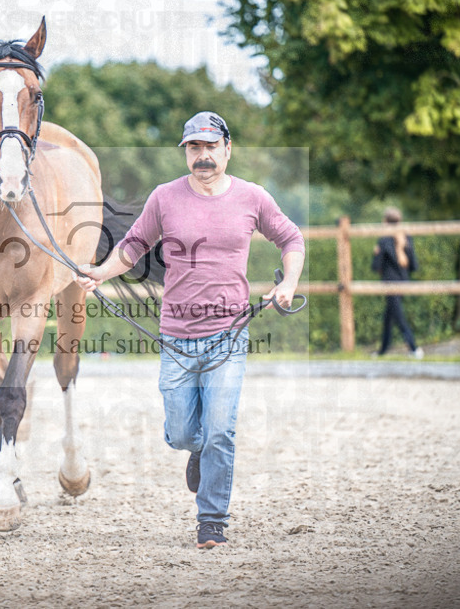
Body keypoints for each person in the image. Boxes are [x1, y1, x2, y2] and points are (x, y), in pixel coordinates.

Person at [74, 111, 305, 549]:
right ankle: (195, 447)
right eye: (193, 148)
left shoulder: (252, 197)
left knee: (221, 429)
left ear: (227, 149)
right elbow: (134, 245)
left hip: (229, 332)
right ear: (186, 152)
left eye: (210, 147)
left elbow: (291, 239)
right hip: (176, 336)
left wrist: (288, 284)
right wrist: (100, 274)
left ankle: (212, 520)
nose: (202, 156)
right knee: (182, 433)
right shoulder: (164, 198)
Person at [371, 206, 423, 358]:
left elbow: (376, 267)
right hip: (404, 281)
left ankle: (414, 349)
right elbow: (412, 265)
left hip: (389, 282)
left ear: (385, 221)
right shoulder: (407, 237)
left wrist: (376, 253)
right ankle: (382, 350)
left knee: (398, 317)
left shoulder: (383, 240)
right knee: (389, 316)